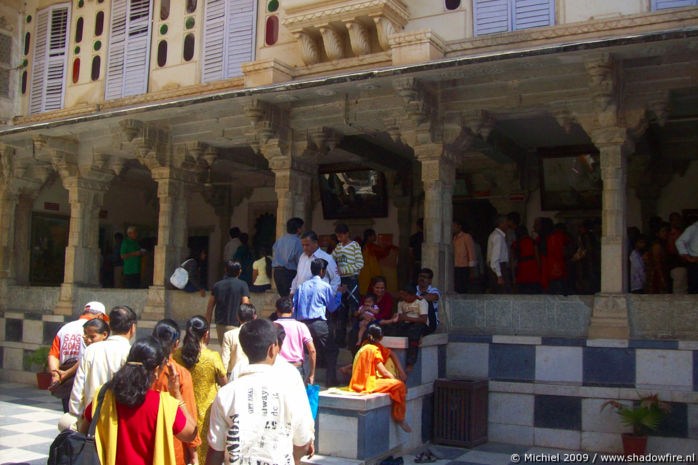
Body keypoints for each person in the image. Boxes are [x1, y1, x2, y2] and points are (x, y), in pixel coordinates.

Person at [206, 319, 315, 465]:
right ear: (272, 349)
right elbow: (303, 442)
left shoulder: (226, 394)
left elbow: (215, 451)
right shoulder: (289, 390)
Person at [80, 336, 197, 465]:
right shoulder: (163, 404)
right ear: (157, 370)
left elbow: (83, 431)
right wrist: (177, 394)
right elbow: (191, 433)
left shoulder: (103, 395)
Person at [174, 316, 227, 460]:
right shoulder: (212, 357)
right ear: (206, 334)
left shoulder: (176, 355)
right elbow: (225, 384)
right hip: (206, 412)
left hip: (181, 409)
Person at [70, 305, 137, 418]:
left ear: (109, 327)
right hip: (117, 421)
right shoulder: (131, 353)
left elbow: (77, 390)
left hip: (90, 420)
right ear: (132, 328)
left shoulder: (91, 350)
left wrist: (77, 417)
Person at [151, 319, 201, 465]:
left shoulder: (142, 368)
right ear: (176, 343)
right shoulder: (179, 373)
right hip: (172, 446)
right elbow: (188, 414)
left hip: (142, 442)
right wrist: (194, 454)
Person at [48, 301, 108, 412]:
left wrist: (56, 374)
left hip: (66, 383)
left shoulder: (64, 329)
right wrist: (66, 373)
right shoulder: (96, 332)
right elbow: (87, 358)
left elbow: (53, 354)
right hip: (85, 381)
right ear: (100, 316)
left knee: (69, 416)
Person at [293, 258, 345, 387]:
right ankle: (330, 380)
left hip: (302, 324)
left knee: (305, 353)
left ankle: (304, 381)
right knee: (331, 350)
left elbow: (295, 307)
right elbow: (332, 307)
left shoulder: (302, 287)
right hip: (319, 323)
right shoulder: (325, 286)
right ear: (322, 271)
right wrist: (339, 294)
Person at [349, 325, 411, 433]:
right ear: (380, 338)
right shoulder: (374, 350)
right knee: (400, 386)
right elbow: (384, 371)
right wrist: (396, 380)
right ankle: (400, 417)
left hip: (356, 382)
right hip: (368, 383)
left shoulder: (363, 347)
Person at [331, 223, 364, 347]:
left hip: (352, 280)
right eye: (337, 237)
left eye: (341, 236)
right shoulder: (338, 247)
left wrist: (343, 270)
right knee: (341, 310)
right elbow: (331, 259)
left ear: (347, 234)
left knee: (354, 310)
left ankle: (354, 340)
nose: (339, 239)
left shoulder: (355, 246)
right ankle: (340, 340)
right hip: (341, 281)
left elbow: (360, 264)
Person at [384, 283, 428, 374]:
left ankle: (410, 363)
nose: (403, 297)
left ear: (413, 295)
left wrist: (407, 318)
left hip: (418, 323)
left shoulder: (421, 302)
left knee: (413, 335)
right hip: (406, 323)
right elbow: (400, 316)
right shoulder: (401, 303)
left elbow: (423, 319)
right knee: (390, 329)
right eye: (402, 294)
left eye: (405, 295)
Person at [205, 260, 250, 346]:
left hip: (220, 325)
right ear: (240, 271)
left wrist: (207, 329)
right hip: (236, 325)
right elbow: (246, 306)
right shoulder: (242, 285)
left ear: (225, 270)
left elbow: (209, 308)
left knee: (225, 351)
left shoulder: (217, 285)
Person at [274, 296, 316, 385]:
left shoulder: (271, 326)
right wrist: (311, 374)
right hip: (296, 368)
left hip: (277, 367)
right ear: (292, 310)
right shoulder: (301, 326)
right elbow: (312, 350)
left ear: (277, 311)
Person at [290, 230, 340, 295]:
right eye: (303, 245)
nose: (304, 248)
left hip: (318, 299)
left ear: (316, 243)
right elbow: (298, 276)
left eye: (307, 245)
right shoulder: (302, 256)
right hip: (301, 298)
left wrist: (330, 296)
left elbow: (335, 279)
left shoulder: (326, 258)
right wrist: (292, 292)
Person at [220, 303, 256, 377]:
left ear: (238, 317)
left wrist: (223, 378)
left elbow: (224, 360)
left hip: (234, 374)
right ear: (254, 317)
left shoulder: (229, 335)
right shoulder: (258, 334)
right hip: (253, 373)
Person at [272, 217, 304, 297]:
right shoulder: (298, 242)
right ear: (298, 229)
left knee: (284, 299)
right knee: (291, 300)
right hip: (289, 274)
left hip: (277, 273)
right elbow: (300, 261)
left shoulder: (279, 240)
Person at [511, 225, 541, 294]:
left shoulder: (515, 244)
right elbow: (538, 259)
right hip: (534, 272)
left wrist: (514, 278)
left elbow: (512, 262)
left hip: (522, 272)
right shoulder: (533, 242)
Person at [358, 228, 388, 294]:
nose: (375, 237)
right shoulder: (370, 246)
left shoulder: (363, 246)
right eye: (374, 235)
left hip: (363, 273)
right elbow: (382, 253)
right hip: (369, 274)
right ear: (369, 237)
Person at [546, 224, 572, 295]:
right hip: (561, 267)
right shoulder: (563, 236)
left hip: (551, 268)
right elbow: (568, 247)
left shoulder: (549, 237)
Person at [487, 216, 511, 293]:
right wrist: (499, 275)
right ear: (501, 224)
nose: (508, 224)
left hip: (497, 268)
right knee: (502, 293)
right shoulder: (498, 237)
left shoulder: (495, 235)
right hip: (499, 268)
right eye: (506, 222)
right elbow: (495, 258)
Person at [453, 219, 476, 294]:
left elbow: (471, 252)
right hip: (456, 266)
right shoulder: (454, 238)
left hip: (464, 266)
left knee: (463, 287)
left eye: (454, 226)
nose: (453, 228)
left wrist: (472, 269)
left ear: (459, 226)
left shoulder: (466, 237)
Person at [675, 217, 698, 294]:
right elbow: (679, 242)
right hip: (695, 263)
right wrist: (688, 257)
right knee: (695, 289)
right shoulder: (694, 228)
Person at [647, 222, 671, 294]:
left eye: (666, 231)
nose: (665, 233)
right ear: (657, 233)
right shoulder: (657, 246)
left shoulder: (663, 245)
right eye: (663, 231)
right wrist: (662, 278)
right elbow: (657, 263)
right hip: (656, 274)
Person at [416, 267, 441, 335]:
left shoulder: (433, 290)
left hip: (430, 323)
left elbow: (433, 297)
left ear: (430, 280)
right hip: (415, 320)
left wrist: (414, 299)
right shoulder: (414, 289)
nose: (421, 279)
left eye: (424, 277)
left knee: (426, 301)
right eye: (420, 276)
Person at [409, 218, 424, 282]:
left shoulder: (414, 237)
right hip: (425, 262)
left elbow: (410, 252)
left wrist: (412, 261)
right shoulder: (427, 237)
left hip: (417, 262)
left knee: (416, 280)